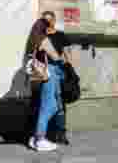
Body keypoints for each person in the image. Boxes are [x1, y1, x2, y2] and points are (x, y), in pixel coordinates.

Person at [25, 16, 65, 152]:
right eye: (47, 26)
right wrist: (61, 60)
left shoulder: (32, 40)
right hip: (46, 76)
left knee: (47, 106)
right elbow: (55, 56)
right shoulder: (43, 39)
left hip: (36, 78)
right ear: (44, 28)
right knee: (48, 107)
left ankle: (35, 138)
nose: (49, 28)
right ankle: (40, 138)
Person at [39, 11, 72, 145]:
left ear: (54, 21)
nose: (46, 23)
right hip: (45, 72)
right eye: (44, 21)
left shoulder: (60, 35)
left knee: (59, 102)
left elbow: (67, 54)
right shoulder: (41, 37)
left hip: (58, 71)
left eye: (49, 20)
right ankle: (44, 133)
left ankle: (61, 132)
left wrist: (69, 70)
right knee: (46, 103)